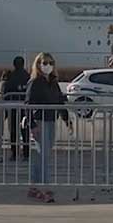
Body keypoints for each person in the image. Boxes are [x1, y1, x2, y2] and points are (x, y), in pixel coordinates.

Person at [25, 52, 72, 203]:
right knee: (43, 155)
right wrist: (32, 125)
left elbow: (59, 101)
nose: (48, 66)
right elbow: (28, 104)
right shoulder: (35, 82)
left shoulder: (53, 82)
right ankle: (45, 188)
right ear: (38, 65)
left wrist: (66, 119)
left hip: (51, 120)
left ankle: (34, 186)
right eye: (44, 63)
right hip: (40, 121)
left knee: (42, 155)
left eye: (50, 63)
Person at [2, 56, 31, 160]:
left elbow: (6, 92)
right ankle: (26, 153)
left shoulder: (10, 76)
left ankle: (14, 153)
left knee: (14, 131)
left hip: (13, 107)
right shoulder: (28, 76)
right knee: (25, 130)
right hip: (25, 108)